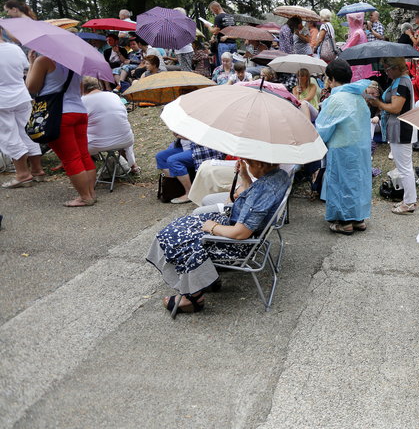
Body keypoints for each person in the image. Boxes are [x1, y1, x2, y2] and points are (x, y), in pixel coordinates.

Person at [147, 158, 291, 314]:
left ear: (260, 164)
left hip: (237, 244)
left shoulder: (263, 190)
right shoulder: (280, 175)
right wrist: (245, 176)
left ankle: (193, 297)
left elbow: (241, 233)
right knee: (180, 225)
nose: (248, 167)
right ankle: (206, 279)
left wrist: (213, 227)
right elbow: (253, 205)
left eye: (249, 164)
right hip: (242, 231)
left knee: (172, 238)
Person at [25, 52, 96, 206]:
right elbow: (80, 88)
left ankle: (85, 197)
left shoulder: (43, 60)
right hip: (79, 111)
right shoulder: (75, 61)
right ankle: (91, 193)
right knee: (83, 155)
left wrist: (31, 63)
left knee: (71, 158)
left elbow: (31, 87)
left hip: (58, 114)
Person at [315, 59, 372, 234]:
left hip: (342, 148)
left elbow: (323, 128)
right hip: (361, 147)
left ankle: (344, 222)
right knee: (358, 182)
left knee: (340, 183)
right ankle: (358, 219)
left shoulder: (336, 98)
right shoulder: (358, 97)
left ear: (331, 79)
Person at [369, 58, 417, 214]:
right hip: (399, 128)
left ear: (396, 68)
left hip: (401, 128)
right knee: (404, 166)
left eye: (387, 69)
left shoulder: (402, 82)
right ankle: (408, 199)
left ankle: (409, 202)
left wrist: (378, 104)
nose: (386, 72)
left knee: (404, 168)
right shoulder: (401, 81)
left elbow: (396, 108)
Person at [0, 38, 44, 188]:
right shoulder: (15, 49)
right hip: (21, 95)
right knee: (27, 132)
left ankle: (22, 174)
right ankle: (37, 170)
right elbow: (26, 67)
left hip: (2, 100)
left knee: (9, 135)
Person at [80, 77, 138, 174]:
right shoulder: (114, 96)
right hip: (125, 140)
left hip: (97, 145)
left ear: (82, 88)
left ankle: (86, 170)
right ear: (99, 85)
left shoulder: (82, 101)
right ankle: (133, 165)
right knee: (120, 128)